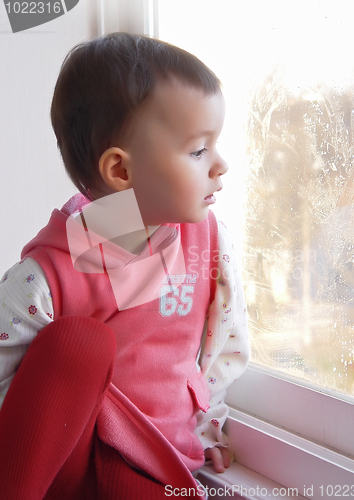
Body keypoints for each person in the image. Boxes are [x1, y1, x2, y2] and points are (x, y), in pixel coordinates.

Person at [0, 33, 249, 499]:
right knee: (79, 343)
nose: (221, 165)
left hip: (158, 463)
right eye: (198, 151)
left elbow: (223, 342)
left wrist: (210, 423)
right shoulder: (49, 274)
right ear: (120, 170)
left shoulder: (207, 241)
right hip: (66, 470)